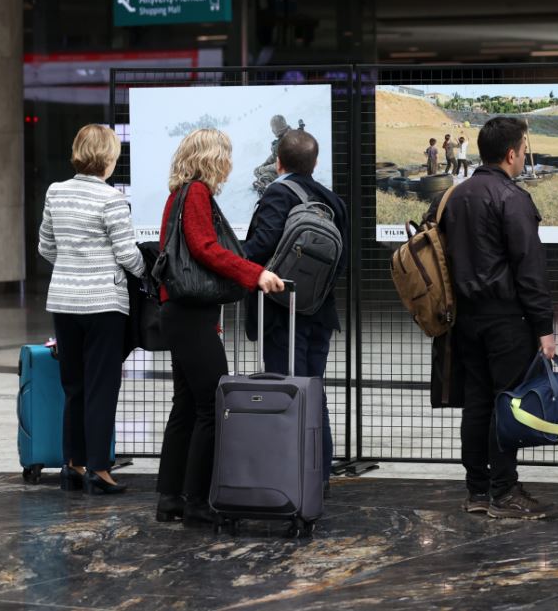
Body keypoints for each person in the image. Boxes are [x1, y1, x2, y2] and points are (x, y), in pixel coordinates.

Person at [155, 128, 284, 526]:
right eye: (226, 155)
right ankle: (196, 501)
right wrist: (255, 273)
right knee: (212, 405)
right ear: (212, 158)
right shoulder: (195, 194)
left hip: (179, 311)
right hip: (191, 314)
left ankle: (171, 498)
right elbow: (204, 248)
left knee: (186, 406)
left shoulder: (178, 195)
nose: (229, 164)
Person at [440, 116, 557, 520]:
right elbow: (530, 268)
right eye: (524, 150)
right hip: (507, 319)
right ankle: (505, 492)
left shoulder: (455, 196)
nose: (526, 156)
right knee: (507, 403)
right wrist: (544, 327)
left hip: (464, 318)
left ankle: (477, 490)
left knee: (476, 403)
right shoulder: (513, 198)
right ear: (511, 154)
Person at [38, 124, 145, 496]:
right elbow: (128, 255)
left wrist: (72, 265)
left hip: (64, 303)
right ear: (109, 157)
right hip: (103, 305)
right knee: (102, 387)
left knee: (74, 386)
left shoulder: (56, 192)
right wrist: (149, 271)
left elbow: (45, 247)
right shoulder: (112, 200)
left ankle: (73, 464)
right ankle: (99, 469)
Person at [243, 129, 347, 494]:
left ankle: (286, 478)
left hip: (282, 315)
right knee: (313, 391)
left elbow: (259, 248)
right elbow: (341, 262)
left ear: (278, 163)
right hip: (319, 313)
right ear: (315, 162)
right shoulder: (333, 201)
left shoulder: (277, 194)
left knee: (284, 392)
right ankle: (318, 475)